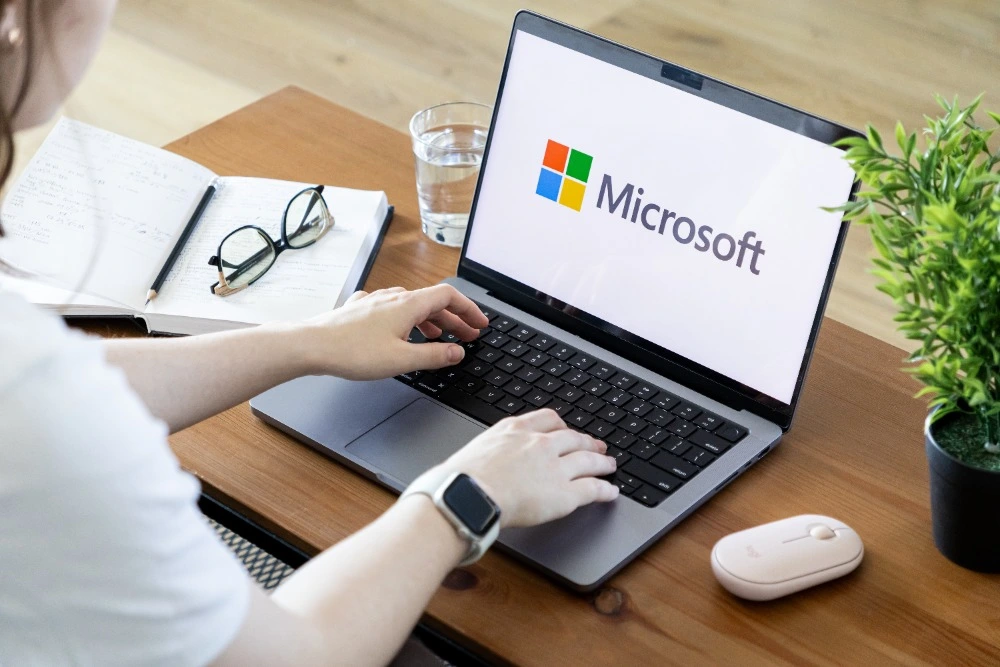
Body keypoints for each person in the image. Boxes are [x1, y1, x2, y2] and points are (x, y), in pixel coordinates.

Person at [0, 1, 620, 664]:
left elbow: (51, 387)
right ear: (14, 22)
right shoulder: (42, 421)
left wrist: (307, 340)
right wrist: (466, 492)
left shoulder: (33, 384)